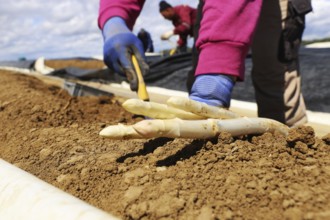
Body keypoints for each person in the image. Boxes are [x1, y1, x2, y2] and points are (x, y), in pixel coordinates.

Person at [98, 0, 260, 115]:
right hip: (209, 21)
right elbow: (185, 33)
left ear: (169, 10)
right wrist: (114, 21)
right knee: (196, 73)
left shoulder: (182, 11)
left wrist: (217, 63)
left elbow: (187, 26)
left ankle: (274, 140)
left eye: (164, 15)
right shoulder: (175, 18)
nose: (164, 18)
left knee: (269, 74)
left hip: (243, 11)